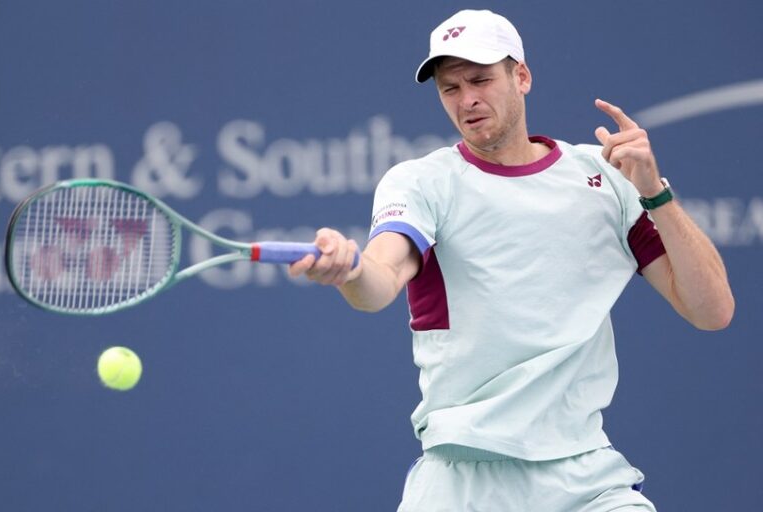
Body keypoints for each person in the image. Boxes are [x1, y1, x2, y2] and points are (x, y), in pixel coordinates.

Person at [289, 9, 734, 512]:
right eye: (449, 88)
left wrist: (654, 192)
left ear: (521, 76)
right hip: (461, 480)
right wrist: (349, 271)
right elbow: (381, 279)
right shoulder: (421, 182)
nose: (467, 100)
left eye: (480, 79)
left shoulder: (606, 175)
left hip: (586, 478)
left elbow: (711, 310)